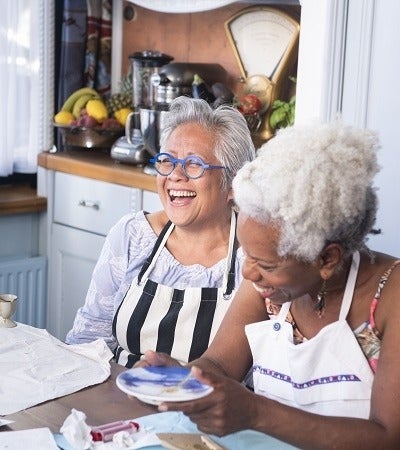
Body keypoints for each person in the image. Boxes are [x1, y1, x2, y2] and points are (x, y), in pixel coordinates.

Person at [139, 121, 400, 448]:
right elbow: (219, 365)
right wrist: (178, 379)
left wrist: (256, 413)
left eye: (266, 264)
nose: (248, 273)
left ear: (327, 259)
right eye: (248, 255)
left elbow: (388, 438)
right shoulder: (270, 287)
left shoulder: (392, 295)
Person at [65, 95, 256, 368]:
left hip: (206, 407)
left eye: (194, 164)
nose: (175, 176)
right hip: (117, 397)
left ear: (232, 183)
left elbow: (259, 377)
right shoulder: (132, 236)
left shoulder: (252, 257)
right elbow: (88, 340)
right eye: (167, 161)